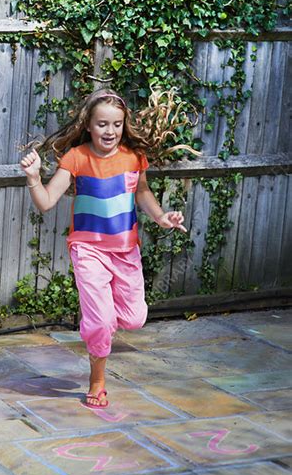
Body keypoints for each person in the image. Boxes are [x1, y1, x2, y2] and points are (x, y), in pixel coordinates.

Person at [20, 88, 187, 408]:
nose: (109, 131)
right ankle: (97, 379)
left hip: (126, 250)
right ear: (88, 125)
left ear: (124, 126)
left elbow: (142, 194)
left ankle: (99, 323)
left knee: (136, 317)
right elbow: (46, 202)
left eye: (116, 124)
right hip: (88, 249)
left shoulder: (133, 158)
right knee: (99, 322)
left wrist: (162, 216)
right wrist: (32, 177)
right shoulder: (76, 157)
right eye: (102, 124)